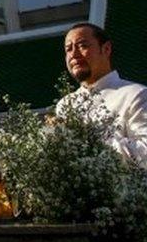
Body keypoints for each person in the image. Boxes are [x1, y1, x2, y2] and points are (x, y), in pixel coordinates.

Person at [56, 22, 147, 167]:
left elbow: (144, 152)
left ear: (106, 49)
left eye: (82, 45)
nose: (73, 54)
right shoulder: (65, 105)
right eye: (68, 49)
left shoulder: (137, 95)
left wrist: (88, 143)